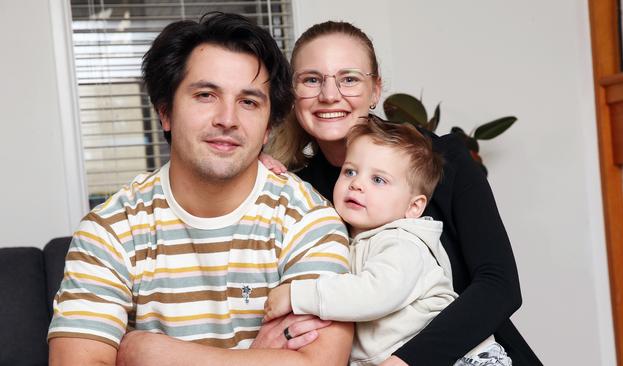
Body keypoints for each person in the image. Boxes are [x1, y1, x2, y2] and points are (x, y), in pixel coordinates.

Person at [47, 13, 354, 366]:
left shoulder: (308, 221)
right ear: (166, 113)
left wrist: (149, 353)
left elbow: (320, 363)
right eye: (206, 95)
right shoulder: (111, 230)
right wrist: (259, 358)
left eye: (249, 102)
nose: (227, 118)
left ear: (268, 128)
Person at [267, 21, 542, 365]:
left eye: (349, 79)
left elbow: (498, 286)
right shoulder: (299, 191)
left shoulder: (441, 160)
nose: (329, 95)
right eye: (311, 79)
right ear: (293, 93)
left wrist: (403, 362)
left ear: (375, 89)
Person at [264, 117, 512, 366]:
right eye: (350, 171)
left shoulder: (403, 243)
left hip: (466, 360)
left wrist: (297, 296)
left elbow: (373, 294)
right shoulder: (349, 239)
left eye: (378, 180)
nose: (357, 184)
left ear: (414, 207)